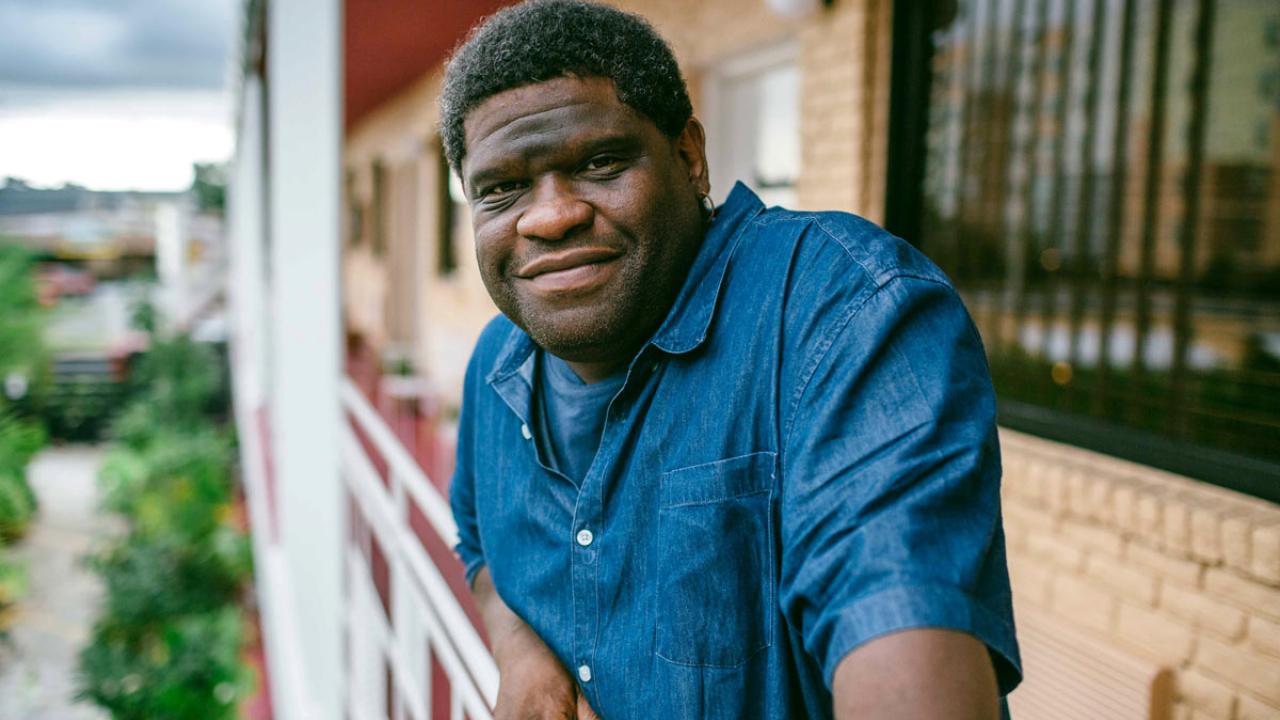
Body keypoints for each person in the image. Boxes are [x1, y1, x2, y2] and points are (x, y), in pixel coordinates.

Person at [441, 1, 1021, 718]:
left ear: (690, 157)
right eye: (501, 189)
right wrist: (523, 655)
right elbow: (478, 542)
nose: (551, 216)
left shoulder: (843, 314)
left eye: (599, 162)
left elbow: (896, 622)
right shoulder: (497, 362)